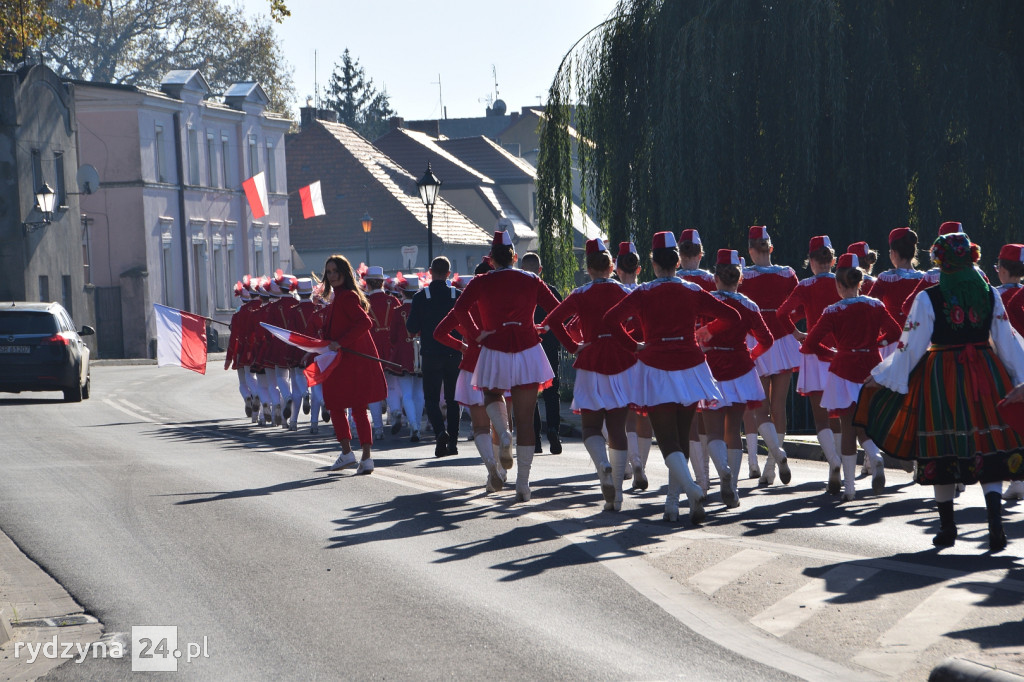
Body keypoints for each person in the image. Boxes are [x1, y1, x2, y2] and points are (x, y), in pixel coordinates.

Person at [856, 233, 1024, 552]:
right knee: (987, 444)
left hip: (941, 376)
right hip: (986, 373)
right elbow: (1007, 342)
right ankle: (995, 525)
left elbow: (911, 348)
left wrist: (883, 375)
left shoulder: (928, 298)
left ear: (940, 261)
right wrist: (1020, 379)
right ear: (971, 259)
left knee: (941, 447)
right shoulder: (989, 294)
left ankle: (948, 529)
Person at [604, 231, 741, 524]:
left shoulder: (644, 292)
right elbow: (734, 316)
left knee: (668, 442)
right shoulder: (692, 291)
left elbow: (609, 321)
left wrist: (634, 345)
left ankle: (690, 491)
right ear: (677, 262)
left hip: (656, 367)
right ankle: (674, 504)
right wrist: (707, 331)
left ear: (653, 263)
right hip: (691, 367)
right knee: (681, 437)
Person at [451, 231, 561, 502]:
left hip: (495, 346)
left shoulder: (480, 282)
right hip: (527, 348)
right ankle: (523, 485)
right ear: (514, 256)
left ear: (491, 260)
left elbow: (458, 310)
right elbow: (558, 308)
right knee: (527, 420)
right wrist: (543, 327)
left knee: (491, 394)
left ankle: (502, 432)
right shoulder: (532, 279)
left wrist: (476, 332)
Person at [543, 238, 637, 511]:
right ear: (611, 266)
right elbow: (640, 322)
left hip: (591, 360)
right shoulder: (625, 293)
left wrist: (573, 346)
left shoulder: (580, 294)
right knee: (618, 429)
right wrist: (634, 343)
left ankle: (603, 466)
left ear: (589, 268)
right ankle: (617, 494)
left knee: (591, 428)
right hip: (621, 361)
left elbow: (553, 320)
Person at [801, 253, 901, 500]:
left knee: (848, 427)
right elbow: (896, 331)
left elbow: (810, 344)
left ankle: (850, 489)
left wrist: (832, 353)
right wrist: (877, 344)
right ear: (860, 282)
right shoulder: (875, 306)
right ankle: (875, 457)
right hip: (871, 370)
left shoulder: (833, 311)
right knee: (865, 423)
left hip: (844, 369)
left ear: (838, 284)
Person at [700, 249, 776, 507]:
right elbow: (767, 340)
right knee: (734, 430)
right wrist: (750, 355)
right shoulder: (748, 305)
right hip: (742, 372)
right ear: (739, 277)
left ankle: (724, 472)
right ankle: (731, 487)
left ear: (715, 277)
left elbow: (694, 336)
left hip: (711, 371)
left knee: (713, 433)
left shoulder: (705, 301)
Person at [435, 259, 510, 493]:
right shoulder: (504, 303)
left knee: (480, 427)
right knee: (500, 424)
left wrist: (462, 346)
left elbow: (439, 332)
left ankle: (491, 469)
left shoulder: (466, 305)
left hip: (472, 367)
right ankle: (502, 469)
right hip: (500, 364)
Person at [778, 235, 842, 494]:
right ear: (833, 260)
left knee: (820, 417)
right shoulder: (843, 281)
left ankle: (834, 462)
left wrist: (796, 334)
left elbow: (782, 313)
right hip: (841, 353)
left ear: (811, 261)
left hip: (815, 353)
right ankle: (837, 466)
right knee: (839, 413)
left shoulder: (805, 286)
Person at [738, 226, 800, 487]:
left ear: (751, 250)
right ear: (770, 248)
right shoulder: (787, 274)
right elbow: (799, 305)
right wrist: (789, 326)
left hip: (758, 341)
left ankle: (777, 455)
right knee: (779, 407)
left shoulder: (745, 276)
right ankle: (771, 466)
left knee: (760, 410)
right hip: (784, 342)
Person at [321, 255, 388, 475]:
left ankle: (353, 453)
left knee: (340, 405)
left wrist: (340, 342)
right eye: (329, 272)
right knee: (349, 406)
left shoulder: (347, 296)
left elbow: (365, 322)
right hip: (345, 360)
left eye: (335, 271)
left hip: (349, 361)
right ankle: (360, 457)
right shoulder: (339, 297)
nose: (332, 275)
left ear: (344, 272)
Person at [675, 229, 717, 494]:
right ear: (701, 254)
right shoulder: (711, 281)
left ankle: (695, 475)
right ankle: (706, 476)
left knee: (687, 417)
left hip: (680, 352)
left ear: (679, 256)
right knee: (707, 416)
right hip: (709, 352)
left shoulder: (671, 281)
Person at [407, 257, 462, 458]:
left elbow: (412, 327)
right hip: (454, 352)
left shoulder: (421, 297)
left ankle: (440, 432)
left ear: (430, 271)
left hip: (431, 353)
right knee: (453, 399)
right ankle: (454, 442)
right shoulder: (458, 295)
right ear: (449, 273)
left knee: (431, 398)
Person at [615, 242, 654, 489]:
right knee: (645, 414)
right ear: (639, 269)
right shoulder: (648, 292)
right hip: (647, 358)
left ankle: (633, 462)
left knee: (626, 414)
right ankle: (642, 465)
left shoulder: (613, 293)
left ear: (617, 269)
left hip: (623, 357)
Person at [519, 252, 563, 455]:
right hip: (550, 346)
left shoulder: (516, 292)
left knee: (531, 393)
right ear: (540, 270)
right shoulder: (550, 290)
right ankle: (554, 429)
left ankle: (535, 438)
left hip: (527, 347)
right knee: (552, 392)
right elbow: (562, 316)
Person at [364, 266, 404, 440]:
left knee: (373, 389)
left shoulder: (363, 302)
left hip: (372, 348)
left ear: (367, 283)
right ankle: (395, 411)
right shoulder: (393, 301)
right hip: (391, 347)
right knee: (393, 384)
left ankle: (378, 428)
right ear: (382, 282)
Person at [392, 276, 426, 443]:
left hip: (404, 353)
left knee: (407, 393)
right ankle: (417, 426)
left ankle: (413, 425)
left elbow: (392, 337)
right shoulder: (424, 308)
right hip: (422, 352)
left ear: (402, 291)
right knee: (419, 391)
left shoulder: (397, 311)